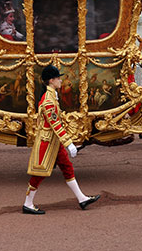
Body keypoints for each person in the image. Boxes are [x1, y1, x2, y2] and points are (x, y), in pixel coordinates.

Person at [23, 64, 99, 214]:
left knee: (67, 167)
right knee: (39, 173)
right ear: (51, 81)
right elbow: (55, 124)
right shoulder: (49, 100)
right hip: (47, 141)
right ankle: (28, 203)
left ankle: (82, 198)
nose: (60, 81)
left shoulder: (51, 96)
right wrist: (69, 143)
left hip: (53, 141)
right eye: (58, 78)